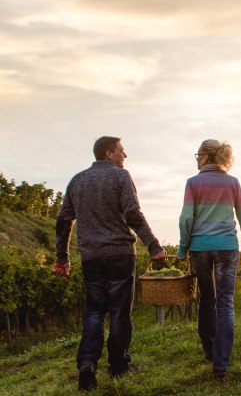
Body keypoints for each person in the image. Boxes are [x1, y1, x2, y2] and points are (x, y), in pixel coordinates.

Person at [53, 136, 168, 391]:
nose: (124, 156)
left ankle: (87, 364)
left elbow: (63, 221)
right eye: (121, 151)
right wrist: (153, 245)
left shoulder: (77, 180)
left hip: (90, 256)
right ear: (108, 153)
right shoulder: (120, 177)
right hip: (119, 254)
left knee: (94, 311)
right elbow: (132, 214)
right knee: (119, 312)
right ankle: (118, 365)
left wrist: (62, 258)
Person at [176, 139, 241, 381]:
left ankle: (210, 350)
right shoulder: (232, 183)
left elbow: (186, 219)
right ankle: (221, 363)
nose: (196, 158)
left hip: (199, 248)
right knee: (226, 303)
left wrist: (182, 248)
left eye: (198, 155)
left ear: (206, 157)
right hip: (227, 247)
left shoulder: (193, 183)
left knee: (207, 300)